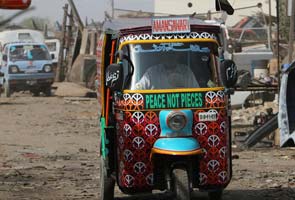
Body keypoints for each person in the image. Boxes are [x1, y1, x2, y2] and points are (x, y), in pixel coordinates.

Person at [135, 53, 199, 90]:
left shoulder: (186, 71)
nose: (170, 56)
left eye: (173, 53)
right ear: (162, 55)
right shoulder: (151, 72)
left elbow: (197, 91)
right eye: (167, 53)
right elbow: (137, 90)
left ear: (178, 54)